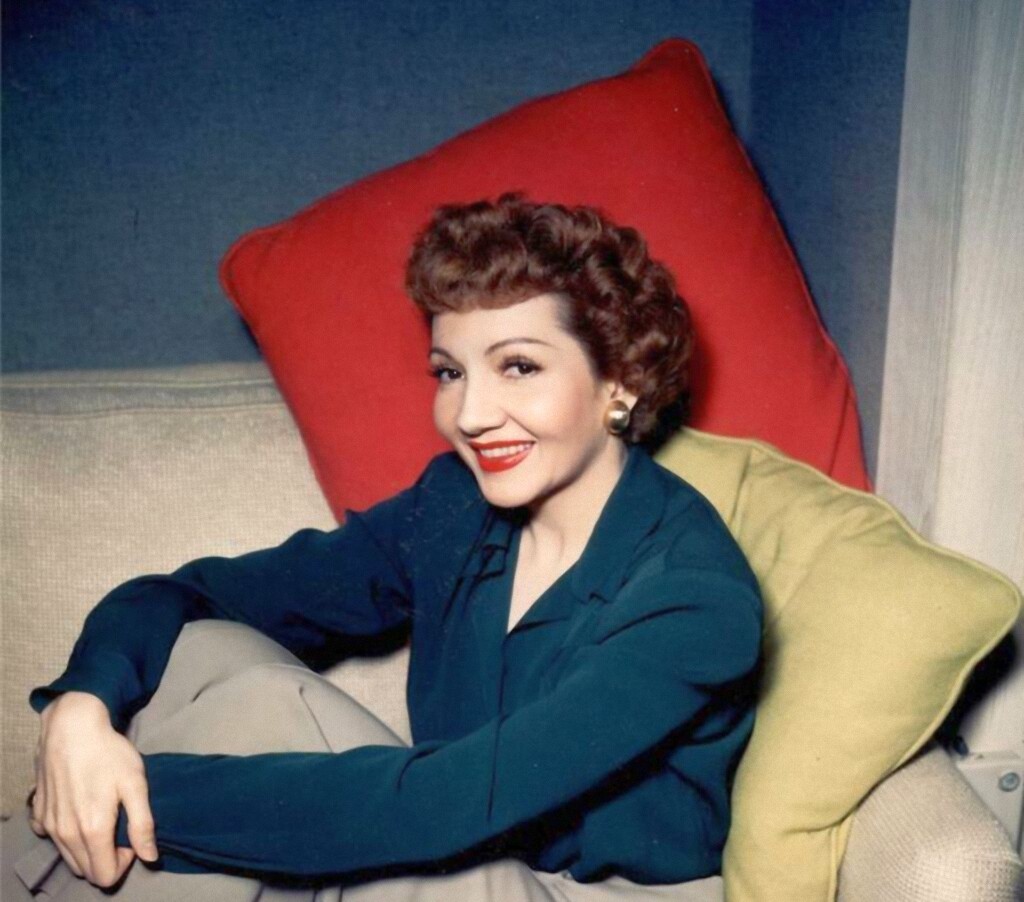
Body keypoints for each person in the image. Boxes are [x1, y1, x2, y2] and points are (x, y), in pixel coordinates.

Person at [3, 192, 763, 901]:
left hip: (568, 890)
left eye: (519, 367)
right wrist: (81, 707)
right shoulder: (456, 507)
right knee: (203, 648)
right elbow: (196, 596)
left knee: (262, 722)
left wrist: (107, 796)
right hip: (455, 855)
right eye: (450, 372)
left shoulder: (696, 594)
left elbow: (441, 805)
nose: (471, 414)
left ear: (619, 380)